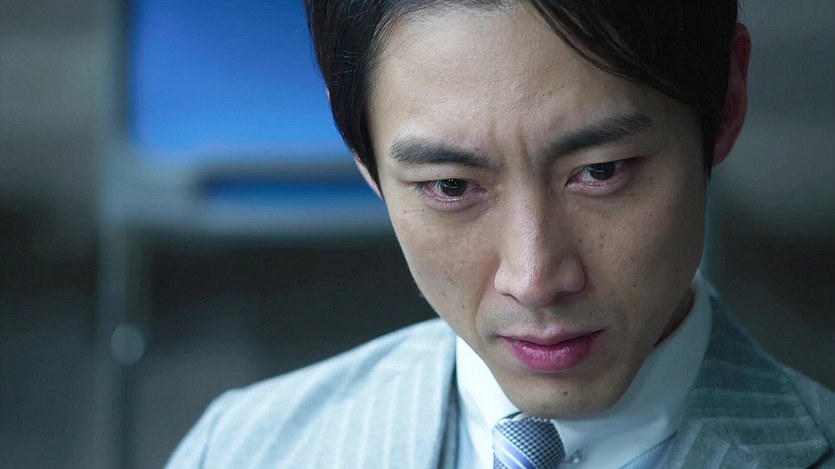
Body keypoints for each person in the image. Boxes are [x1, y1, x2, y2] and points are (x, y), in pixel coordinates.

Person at [166, 1, 835, 468]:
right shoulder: (239, 450)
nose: (534, 278)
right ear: (361, 153)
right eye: (451, 186)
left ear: (726, 100)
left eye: (600, 172)